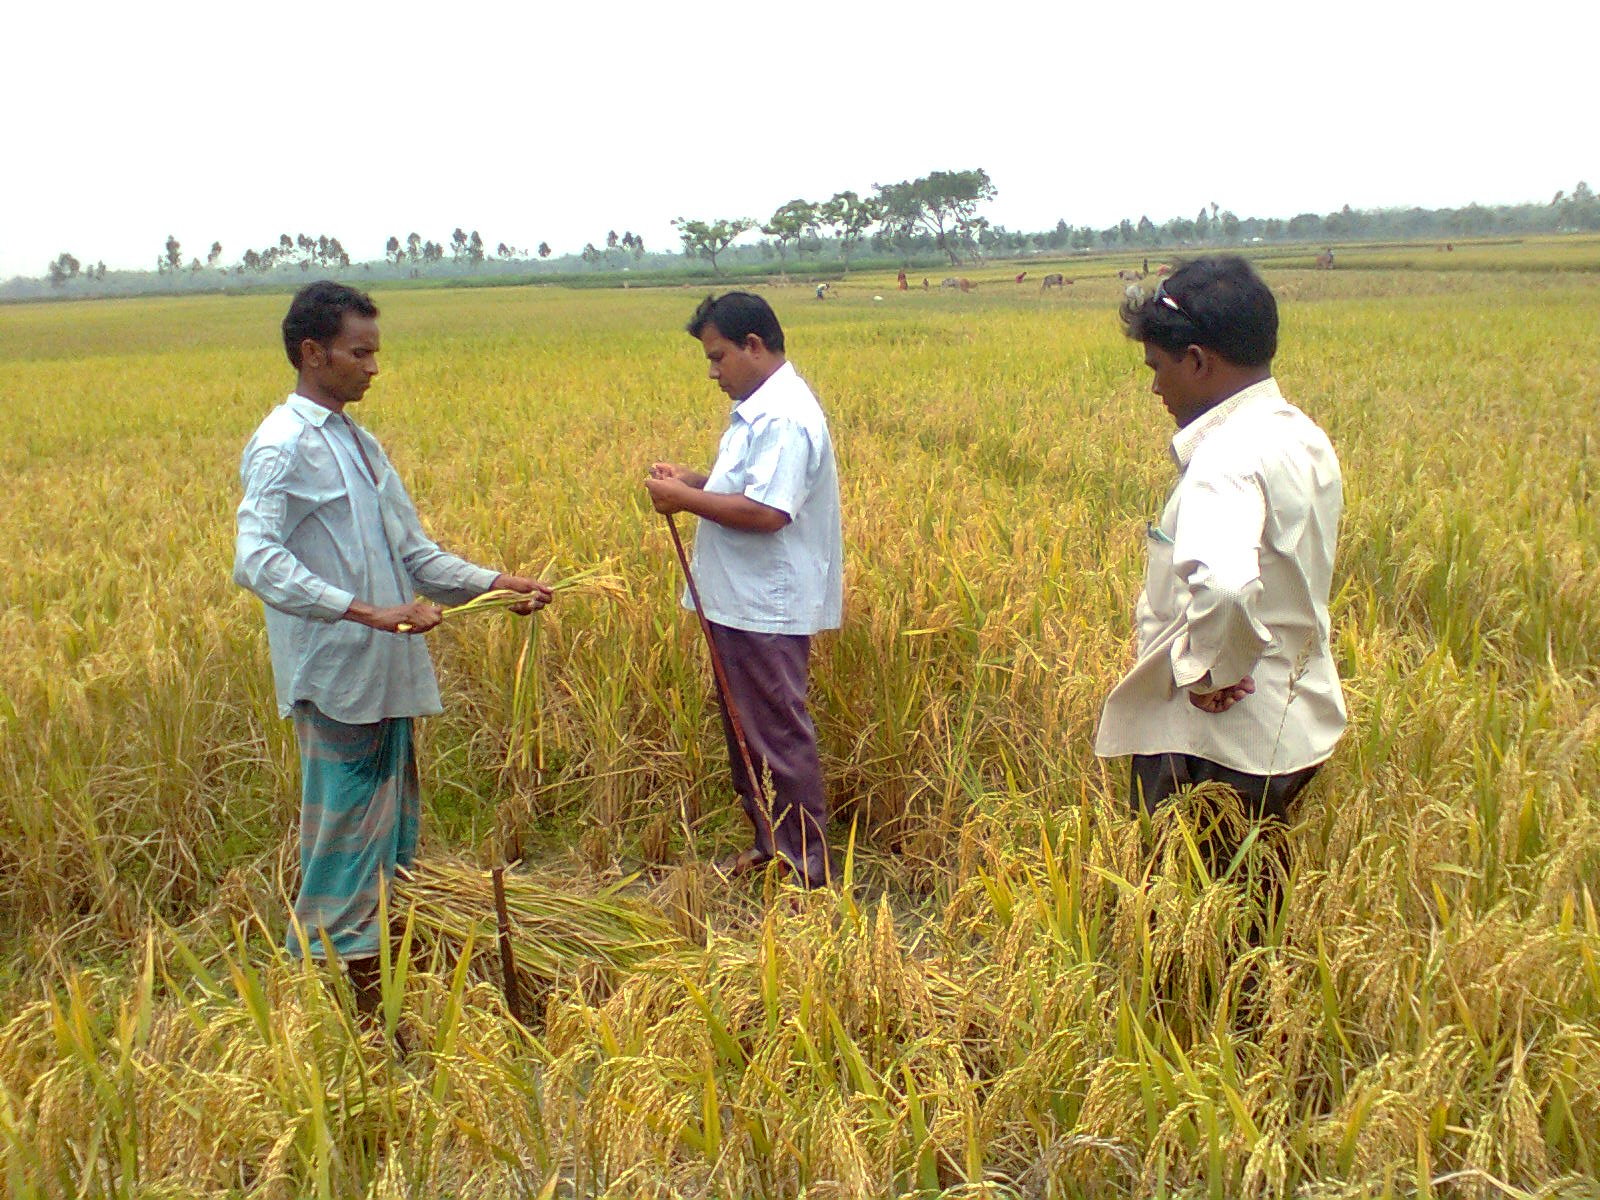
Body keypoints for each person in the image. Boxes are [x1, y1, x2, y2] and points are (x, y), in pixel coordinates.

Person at [233, 281, 552, 1016]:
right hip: (338, 681)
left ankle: (377, 1005)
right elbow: (256, 559)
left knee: (386, 852)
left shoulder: (359, 443)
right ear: (313, 354)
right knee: (343, 851)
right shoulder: (282, 444)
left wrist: (495, 585)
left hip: (384, 678)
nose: (374, 367)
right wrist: (366, 612)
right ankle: (338, 1016)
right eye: (359, 353)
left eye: (375, 352)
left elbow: (415, 555)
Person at [1095, 256, 1345, 849]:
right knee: (1261, 901)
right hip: (1290, 730)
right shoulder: (1301, 435)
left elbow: (1228, 588)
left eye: (1158, 367)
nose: (1156, 387)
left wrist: (1210, 674)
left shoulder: (1225, 459)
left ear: (1197, 360)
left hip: (1217, 747)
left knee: (1195, 900)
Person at [645, 292, 843, 887]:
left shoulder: (782, 416)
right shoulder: (759, 410)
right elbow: (748, 488)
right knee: (747, 735)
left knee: (775, 736)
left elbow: (768, 511)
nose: (713, 372)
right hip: (739, 602)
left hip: (765, 606)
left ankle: (806, 871)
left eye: (718, 357)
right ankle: (772, 845)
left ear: (753, 346)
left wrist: (684, 499)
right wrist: (694, 481)